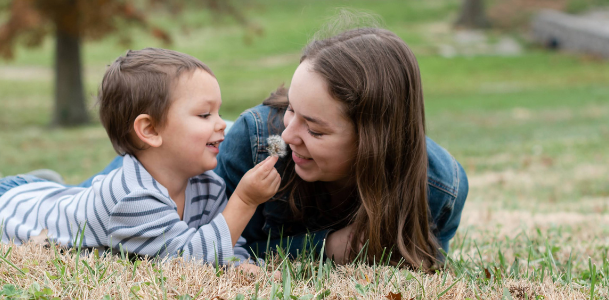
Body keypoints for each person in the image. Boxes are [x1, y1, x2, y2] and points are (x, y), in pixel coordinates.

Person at [0, 48, 282, 266]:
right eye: (205, 114)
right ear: (149, 130)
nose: (223, 123)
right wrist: (244, 201)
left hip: (33, 196)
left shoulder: (202, 182)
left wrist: (244, 269)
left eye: (219, 111)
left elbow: (224, 240)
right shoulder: (130, 196)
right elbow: (186, 258)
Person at [91, 28, 468, 271]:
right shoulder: (256, 143)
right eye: (292, 109)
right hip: (154, 169)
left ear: (373, 142)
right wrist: (327, 247)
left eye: (315, 129)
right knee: (85, 203)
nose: (289, 136)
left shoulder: (439, 188)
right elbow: (220, 244)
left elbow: (420, 266)